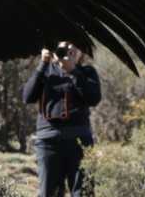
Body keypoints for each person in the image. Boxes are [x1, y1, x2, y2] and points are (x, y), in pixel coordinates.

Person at [21, 41, 101, 197]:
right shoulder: (45, 71)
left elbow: (94, 99)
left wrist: (73, 71)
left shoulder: (87, 72)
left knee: (83, 192)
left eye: (74, 47)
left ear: (81, 53)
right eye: (64, 48)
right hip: (48, 143)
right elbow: (27, 97)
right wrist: (43, 64)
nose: (69, 51)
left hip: (79, 142)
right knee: (49, 193)